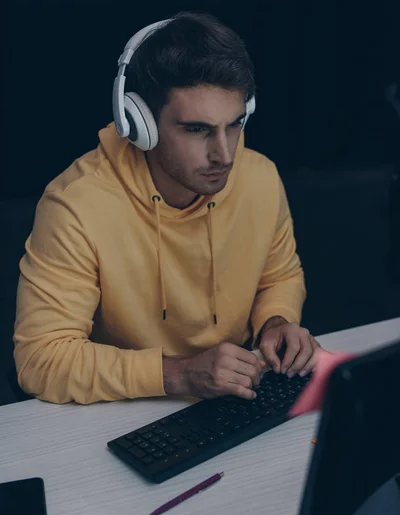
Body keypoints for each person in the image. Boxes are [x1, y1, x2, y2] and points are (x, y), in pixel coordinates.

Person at [13, 11, 320, 406]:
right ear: (139, 124)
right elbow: (40, 360)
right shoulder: (76, 205)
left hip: (238, 392)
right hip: (128, 408)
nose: (224, 154)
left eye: (235, 123)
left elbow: (279, 276)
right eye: (197, 129)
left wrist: (276, 322)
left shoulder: (260, 175)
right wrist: (179, 374)